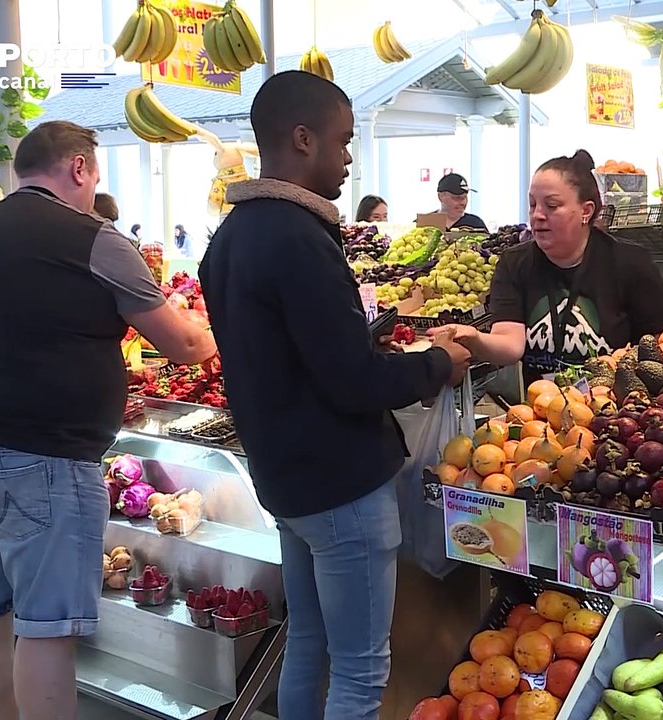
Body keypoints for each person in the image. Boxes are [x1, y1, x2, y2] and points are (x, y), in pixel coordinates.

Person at [199, 71, 470, 720]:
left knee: (309, 647)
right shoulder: (298, 238)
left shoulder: (229, 239)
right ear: (302, 139)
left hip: (287, 487)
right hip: (342, 490)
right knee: (359, 671)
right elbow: (352, 383)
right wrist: (439, 362)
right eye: (343, 143)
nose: (350, 158)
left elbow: (289, 357)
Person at [0, 120, 216, 720]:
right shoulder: (92, 238)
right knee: (46, 630)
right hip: (40, 459)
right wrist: (224, 332)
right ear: (79, 168)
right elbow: (183, 345)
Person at [430, 149, 663, 383]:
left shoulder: (629, 262)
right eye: (533, 205)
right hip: (544, 412)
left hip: (616, 413)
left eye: (552, 205)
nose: (537, 215)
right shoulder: (515, 263)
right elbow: (510, 345)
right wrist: (475, 339)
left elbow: (660, 347)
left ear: (586, 211)